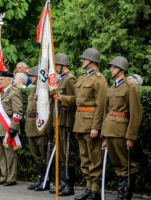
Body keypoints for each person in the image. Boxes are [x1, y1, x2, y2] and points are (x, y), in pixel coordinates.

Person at [54, 48, 108, 200]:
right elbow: (76, 100)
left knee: (94, 158)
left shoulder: (99, 80)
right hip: (80, 123)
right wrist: (62, 98)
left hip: (91, 124)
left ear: (92, 61)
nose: (82, 61)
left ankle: (95, 190)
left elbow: (101, 105)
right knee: (84, 159)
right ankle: (88, 188)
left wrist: (96, 127)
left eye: (85, 59)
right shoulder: (82, 78)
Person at [101, 56, 142, 200]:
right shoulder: (111, 87)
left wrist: (130, 137)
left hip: (121, 132)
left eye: (114, 67)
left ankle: (125, 197)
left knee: (127, 165)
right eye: (111, 67)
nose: (111, 69)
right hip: (110, 131)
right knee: (118, 165)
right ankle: (121, 195)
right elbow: (107, 112)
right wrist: (105, 136)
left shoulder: (130, 88)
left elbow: (136, 114)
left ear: (122, 70)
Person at [49, 53, 77, 196]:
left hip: (66, 121)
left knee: (67, 154)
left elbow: (75, 100)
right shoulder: (59, 81)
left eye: (56, 65)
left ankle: (68, 185)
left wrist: (62, 98)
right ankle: (61, 183)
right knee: (60, 154)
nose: (54, 68)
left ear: (62, 66)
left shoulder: (70, 80)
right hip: (58, 121)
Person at [0, 70, 23, 186]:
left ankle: (11, 178)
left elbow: (18, 111)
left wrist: (14, 126)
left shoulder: (14, 92)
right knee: (1, 155)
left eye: (2, 79)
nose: (0, 81)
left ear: (9, 80)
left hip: (8, 126)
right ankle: (4, 176)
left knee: (10, 154)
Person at [25, 66, 49, 191]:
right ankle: (39, 179)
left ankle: (45, 180)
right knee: (36, 156)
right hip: (30, 126)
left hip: (39, 127)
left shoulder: (44, 91)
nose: (30, 78)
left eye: (32, 76)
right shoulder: (32, 90)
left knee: (43, 155)